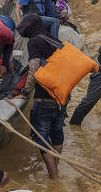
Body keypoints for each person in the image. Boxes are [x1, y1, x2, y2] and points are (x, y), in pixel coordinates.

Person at [13, 14, 64, 179]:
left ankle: (54, 177)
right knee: (56, 132)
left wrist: (25, 92)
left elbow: (34, 66)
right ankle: (55, 172)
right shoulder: (53, 39)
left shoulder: (34, 41)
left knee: (40, 135)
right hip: (62, 95)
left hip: (45, 96)